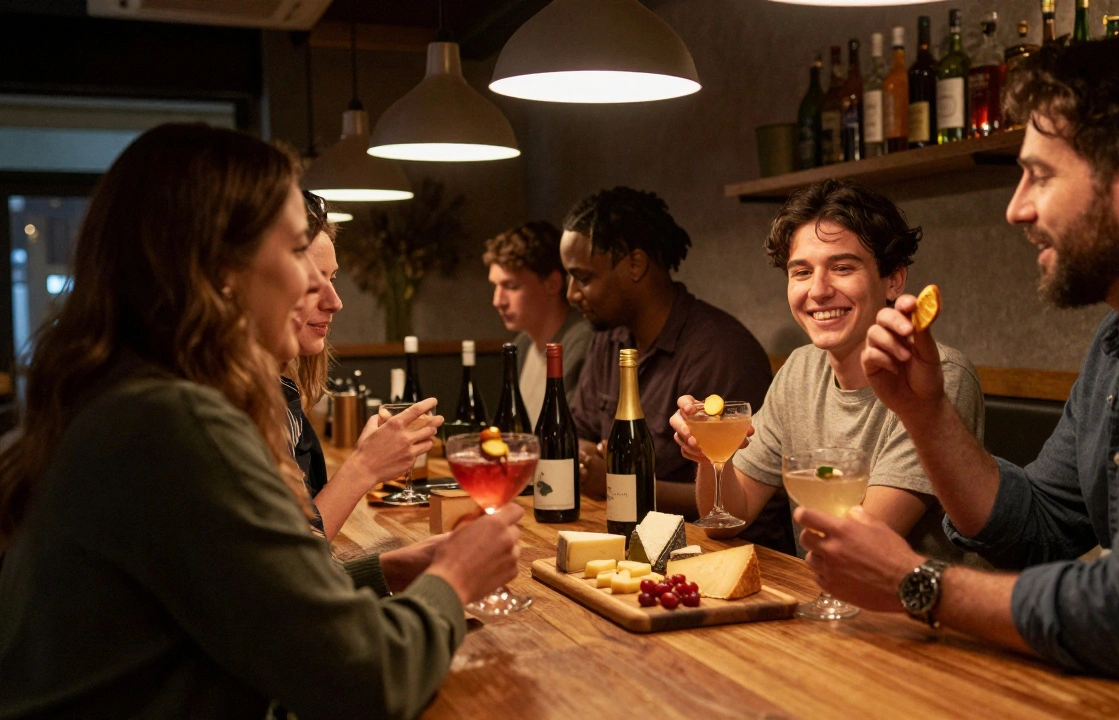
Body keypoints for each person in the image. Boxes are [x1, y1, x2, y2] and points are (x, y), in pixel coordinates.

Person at [799, 31, 1119, 712]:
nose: (1016, 207)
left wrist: (918, 582)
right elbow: (1040, 527)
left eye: (1040, 175)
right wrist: (925, 414)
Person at [0, 123, 523, 719]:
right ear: (223, 268)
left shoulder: (125, 398)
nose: (315, 285)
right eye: (298, 249)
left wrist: (387, 571)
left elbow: (247, 606)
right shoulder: (176, 423)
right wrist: (454, 579)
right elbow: (364, 679)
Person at [670, 181, 985, 562]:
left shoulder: (938, 378)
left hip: (915, 599)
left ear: (893, 280)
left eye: (842, 268)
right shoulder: (800, 369)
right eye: (802, 272)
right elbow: (727, 520)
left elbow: (860, 547)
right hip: (819, 589)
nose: (818, 290)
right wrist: (709, 458)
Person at [560, 187, 781, 548]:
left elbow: (732, 494)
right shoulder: (609, 339)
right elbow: (580, 432)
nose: (571, 293)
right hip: (636, 538)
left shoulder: (719, 350)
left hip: (724, 549)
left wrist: (620, 481)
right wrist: (590, 461)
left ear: (635, 264)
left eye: (582, 277)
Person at [284, 191, 440, 542]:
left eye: (332, 279)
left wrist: (393, 565)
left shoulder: (280, 392)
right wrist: (364, 466)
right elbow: (296, 552)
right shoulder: (235, 408)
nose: (335, 302)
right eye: (310, 282)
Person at [484, 220, 593, 423]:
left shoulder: (582, 342)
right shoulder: (522, 344)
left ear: (552, 284)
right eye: (495, 287)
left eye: (511, 286)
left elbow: (568, 432)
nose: (498, 301)